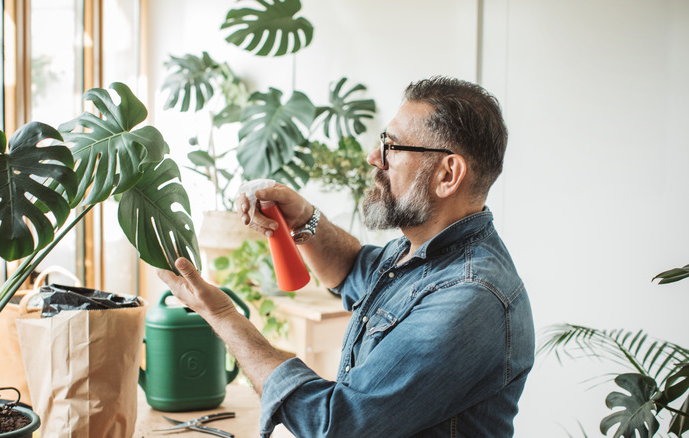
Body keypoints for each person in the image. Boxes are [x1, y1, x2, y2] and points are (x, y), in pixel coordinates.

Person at [158, 76, 535, 437]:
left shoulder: (469, 297)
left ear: (447, 174)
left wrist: (223, 316)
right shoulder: (421, 251)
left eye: (392, 146)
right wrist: (303, 217)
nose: (375, 157)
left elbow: (335, 423)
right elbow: (354, 269)